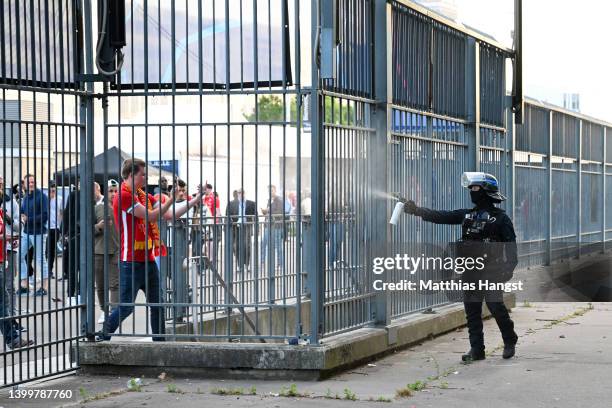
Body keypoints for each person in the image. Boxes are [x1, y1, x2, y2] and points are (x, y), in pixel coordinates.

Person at [401, 172, 518, 361]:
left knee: (495, 306)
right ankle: (477, 349)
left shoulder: (501, 219)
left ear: (486, 191)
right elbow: (441, 216)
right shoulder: (467, 215)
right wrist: (417, 210)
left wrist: (507, 271)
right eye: (470, 188)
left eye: (475, 188)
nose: (472, 192)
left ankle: (509, 340)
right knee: (472, 311)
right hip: (470, 270)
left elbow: (511, 248)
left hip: (492, 272)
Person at [102, 159, 201, 341]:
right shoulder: (123, 196)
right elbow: (151, 216)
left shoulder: (144, 196)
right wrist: (171, 199)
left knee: (157, 304)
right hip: (130, 261)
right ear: (132, 175)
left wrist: (194, 200)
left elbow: (169, 215)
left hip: (147, 259)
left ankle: (159, 342)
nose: (146, 177)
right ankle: (103, 334)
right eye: (143, 174)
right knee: (126, 307)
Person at [0, 206, 33, 349]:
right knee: (2, 302)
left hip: (1, 258)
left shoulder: (1, 211)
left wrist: (8, 239)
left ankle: (12, 338)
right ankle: (12, 338)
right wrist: (7, 237)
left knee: (3, 301)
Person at [93, 180, 120, 324]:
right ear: (105, 192)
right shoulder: (98, 208)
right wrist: (99, 226)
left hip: (116, 251)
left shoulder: (122, 208)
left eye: (116, 191)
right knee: (101, 285)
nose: (114, 194)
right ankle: (104, 311)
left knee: (115, 284)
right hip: (99, 251)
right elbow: (86, 229)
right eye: (111, 191)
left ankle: (114, 313)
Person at [19, 174, 49, 296]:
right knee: (19, 256)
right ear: (24, 184)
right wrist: (21, 216)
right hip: (26, 232)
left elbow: (45, 216)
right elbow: (22, 212)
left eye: (33, 182)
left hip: (39, 233)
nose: (31, 184)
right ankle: (25, 285)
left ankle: (44, 287)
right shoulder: (26, 197)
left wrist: (28, 219)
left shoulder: (42, 196)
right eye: (29, 182)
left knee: (40, 259)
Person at [226, 188, 257, 271]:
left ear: (245, 193)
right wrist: (227, 229)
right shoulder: (231, 204)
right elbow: (227, 216)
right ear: (237, 194)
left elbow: (256, 216)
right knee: (236, 246)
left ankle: (247, 264)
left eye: (242, 193)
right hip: (236, 227)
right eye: (239, 193)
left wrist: (256, 229)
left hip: (247, 226)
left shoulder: (251, 203)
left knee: (246, 245)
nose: (241, 194)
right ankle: (240, 265)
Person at [62, 178, 81, 304]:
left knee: (77, 266)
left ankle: (76, 294)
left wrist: (64, 233)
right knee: (75, 266)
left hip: (78, 233)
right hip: (76, 233)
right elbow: (67, 213)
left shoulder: (88, 195)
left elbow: (67, 213)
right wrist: (65, 233)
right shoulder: (75, 194)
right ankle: (73, 294)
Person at [46, 182, 63, 279]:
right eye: (51, 190)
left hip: (55, 228)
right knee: (47, 250)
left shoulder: (59, 199)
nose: (53, 192)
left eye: (54, 190)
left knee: (51, 250)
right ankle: (46, 270)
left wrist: (60, 227)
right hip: (46, 228)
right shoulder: (45, 199)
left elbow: (61, 213)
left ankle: (49, 270)